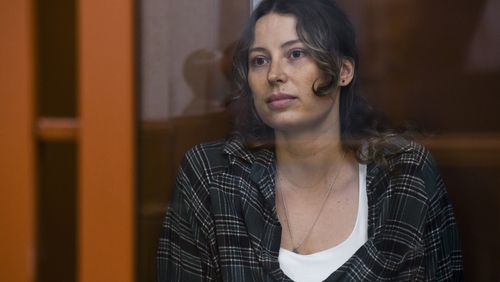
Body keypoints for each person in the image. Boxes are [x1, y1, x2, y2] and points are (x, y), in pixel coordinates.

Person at [156, 0, 464, 281]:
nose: (275, 74)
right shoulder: (212, 175)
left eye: (296, 54)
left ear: (344, 70)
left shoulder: (405, 175)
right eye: (259, 60)